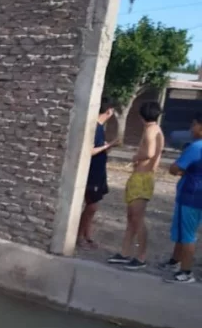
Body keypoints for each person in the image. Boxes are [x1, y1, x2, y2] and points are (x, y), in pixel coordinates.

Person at [107, 101, 165, 270]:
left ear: (141, 116)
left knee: (137, 219)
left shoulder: (149, 130)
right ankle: (125, 253)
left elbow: (149, 152)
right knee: (132, 218)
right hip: (142, 177)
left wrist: (136, 157)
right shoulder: (157, 130)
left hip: (142, 178)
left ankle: (141, 257)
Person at [158, 113, 202, 284]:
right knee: (182, 231)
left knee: (188, 235)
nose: (191, 128)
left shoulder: (196, 147)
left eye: (194, 124)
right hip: (194, 194)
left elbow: (174, 168)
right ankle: (174, 261)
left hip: (191, 195)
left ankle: (186, 272)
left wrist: (181, 170)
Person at [77, 97, 118, 249]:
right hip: (92, 173)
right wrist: (110, 145)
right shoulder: (95, 128)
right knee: (91, 206)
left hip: (99, 171)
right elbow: (90, 150)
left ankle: (87, 235)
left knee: (93, 207)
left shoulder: (100, 128)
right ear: (108, 111)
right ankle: (79, 236)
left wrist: (107, 147)